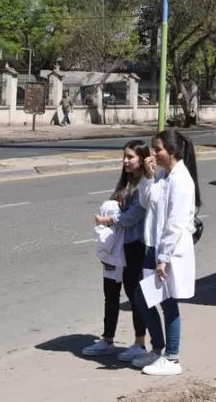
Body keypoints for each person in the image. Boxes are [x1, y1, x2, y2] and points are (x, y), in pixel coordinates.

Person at [130, 129, 200, 376]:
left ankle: (172, 357)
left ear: (172, 151)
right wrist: (148, 176)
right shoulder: (163, 176)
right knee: (142, 298)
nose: (153, 153)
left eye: (157, 149)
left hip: (167, 252)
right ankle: (157, 348)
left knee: (169, 303)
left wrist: (164, 258)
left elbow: (176, 223)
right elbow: (147, 201)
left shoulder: (182, 180)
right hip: (154, 246)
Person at [84, 141, 152, 362]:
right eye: (124, 156)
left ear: (142, 159)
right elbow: (115, 203)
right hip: (116, 246)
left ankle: (140, 343)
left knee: (135, 296)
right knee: (110, 293)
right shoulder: (125, 183)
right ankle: (107, 339)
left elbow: (133, 216)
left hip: (135, 247)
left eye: (130, 157)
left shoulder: (144, 185)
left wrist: (108, 219)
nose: (125, 161)